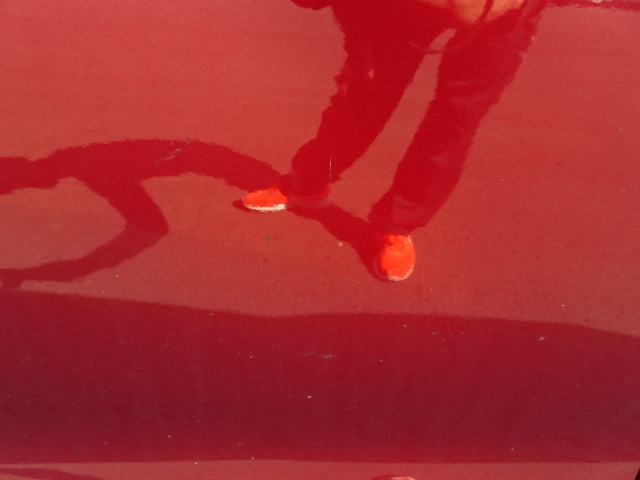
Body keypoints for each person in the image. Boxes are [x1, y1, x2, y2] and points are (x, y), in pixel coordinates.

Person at [242, 0, 546, 281]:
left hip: (505, 14)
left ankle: (398, 222)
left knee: (456, 118)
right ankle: (306, 183)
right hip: (407, 8)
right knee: (365, 92)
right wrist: (360, 52)